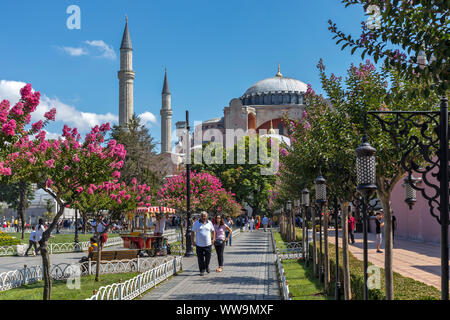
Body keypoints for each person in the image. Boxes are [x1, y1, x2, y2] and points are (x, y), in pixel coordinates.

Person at [191, 211, 215, 276]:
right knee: (200, 258)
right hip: (199, 244)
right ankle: (202, 270)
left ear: (207, 216)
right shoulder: (196, 223)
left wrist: (213, 238)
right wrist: (192, 241)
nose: (204, 217)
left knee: (208, 257)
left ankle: (206, 266)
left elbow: (213, 231)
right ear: (200, 216)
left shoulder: (209, 223)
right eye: (202, 216)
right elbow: (192, 232)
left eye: (205, 216)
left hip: (208, 244)